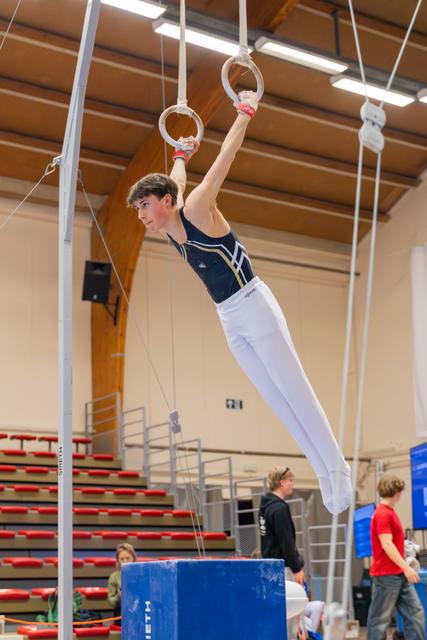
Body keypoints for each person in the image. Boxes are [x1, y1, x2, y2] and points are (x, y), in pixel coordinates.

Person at [127, 90, 352, 515]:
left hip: (254, 304)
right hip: (228, 317)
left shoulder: (193, 209)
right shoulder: (172, 214)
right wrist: (180, 152)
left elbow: (223, 162)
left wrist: (244, 112)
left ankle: (336, 469)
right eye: (137, 208)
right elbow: (175, 177)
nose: (140, 214)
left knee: (296, 392)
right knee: (276, 399)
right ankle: (321, 470)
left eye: (144, 205)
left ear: (167, 202)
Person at [367, 474, 425, 640]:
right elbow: (387, 544)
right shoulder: (383, 514)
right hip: (387, 575)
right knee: (379, 621)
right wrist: (407, 568)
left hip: (397, 573)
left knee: (415, 614)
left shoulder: (388, 513)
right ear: (397, 492)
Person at [259, 466, 305, 585]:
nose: (292, 484)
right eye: (290, 480)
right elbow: (286, 541)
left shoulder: (265, 507)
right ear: (282, 482)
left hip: (270, 567)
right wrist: (296, 569)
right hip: (282, 568)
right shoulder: (279, 508)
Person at [108, 542, 137, 619]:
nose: (125, 562)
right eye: (122, 559)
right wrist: (118, 596)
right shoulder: (114, 577)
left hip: (139, 612)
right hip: (121, 614)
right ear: (118, 561)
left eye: (128, 558)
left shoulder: (140, 574)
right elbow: (111, 602)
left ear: (133, 558)